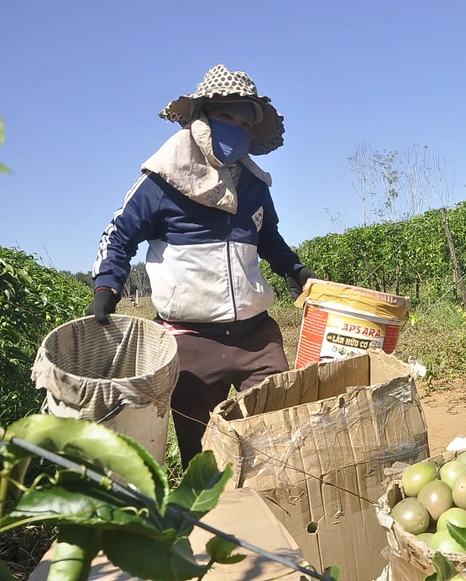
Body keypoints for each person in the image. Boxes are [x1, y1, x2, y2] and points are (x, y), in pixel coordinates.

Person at [88, 64, 316, 468]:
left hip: (256, 336)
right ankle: (212, 518)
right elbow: (118, 235)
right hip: (190, 340)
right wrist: (107, 289)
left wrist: (296, 271)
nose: (236, 127)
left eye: (245, 122)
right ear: (201, 118)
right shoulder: (161, 181)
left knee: (275, 432)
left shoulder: (254, 186)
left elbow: (270, 240)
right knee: (202, 454)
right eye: (227, 116)